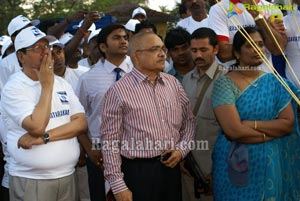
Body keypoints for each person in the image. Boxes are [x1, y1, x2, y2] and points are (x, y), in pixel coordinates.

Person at [100, 32, 195, 201]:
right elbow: (110, 141)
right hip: (138, 173)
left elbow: (189, 121)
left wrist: (181, 150)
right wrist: (118, 185)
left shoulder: (172, 83)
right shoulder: (118, 91)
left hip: (171, 169)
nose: (162, 54)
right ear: (136, 55)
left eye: (162, 49)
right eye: (154, 49)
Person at [211, 26, 300, 200]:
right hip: (235, 165)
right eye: (250, 45)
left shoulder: (275, 82)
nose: (257, 50)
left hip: (271, 164)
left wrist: (251, 124)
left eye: (260, 44)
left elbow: (287, 124)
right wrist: (270, 135)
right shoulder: (225, 84)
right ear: (237, 52)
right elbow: (234, 131)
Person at [0, 26, 87, 200]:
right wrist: (46, 86)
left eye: (47, 47)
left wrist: (44, 138)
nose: (46, 53)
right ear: (21, 56)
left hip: (67, 175)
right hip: (33, 179)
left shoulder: (61, 83)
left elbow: (80, 123)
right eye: (38, 48)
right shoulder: (14, 87)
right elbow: (37, 126)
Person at [76, 23, 133, 201]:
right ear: (103, 47)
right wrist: (88, 148)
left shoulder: (140, 70)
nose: (123, 41)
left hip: (137, 150)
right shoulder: (88, 79)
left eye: (125, 37)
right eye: (116, 38)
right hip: (100, 153)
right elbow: (78, 117)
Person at [181, 27, 226, 201]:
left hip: (215, 168)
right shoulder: (186, 79)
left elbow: (230, 131)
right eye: (194, 50)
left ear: (215, 49)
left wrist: (219, 171)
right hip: (188, 166)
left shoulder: (227, 79)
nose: (198, 55)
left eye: (203, 50)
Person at [208, 0, 287, 69]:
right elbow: (224, 54)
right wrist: (267, 30)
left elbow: (278, 49)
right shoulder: (218, 9)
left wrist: (257, 15)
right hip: (233, 79)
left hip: (264, 78)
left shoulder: (272, 8)